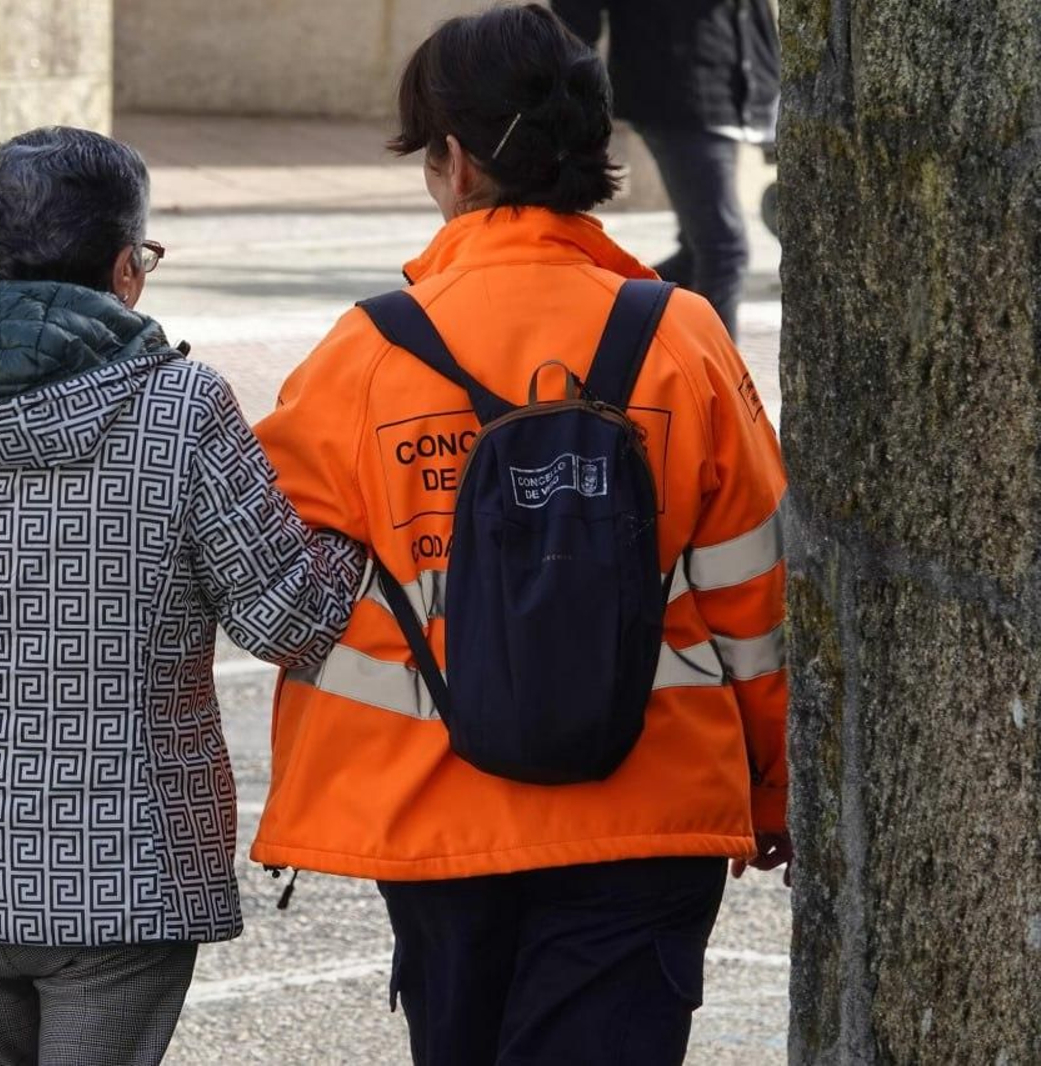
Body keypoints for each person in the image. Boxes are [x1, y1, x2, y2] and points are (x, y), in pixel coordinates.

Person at [249, 7, 790, 1065]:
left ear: (453, 161)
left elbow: (272, 576)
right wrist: (772, 788)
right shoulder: (682, 336)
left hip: (433, 810)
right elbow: (754, 596)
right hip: (650, 805)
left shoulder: (365, 353)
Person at [0, 126, 364, 1066]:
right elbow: (287, 617)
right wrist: (354, 532)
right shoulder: (182, 409)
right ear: (126, 268)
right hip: (130, 870)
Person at [552, 0, 780, 341]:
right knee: (723, 251)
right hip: (675, 88)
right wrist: (574, 92)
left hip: (736, 80)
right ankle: (711, 374)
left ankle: (598, 319)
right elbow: (576, 16)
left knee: (698, 254)